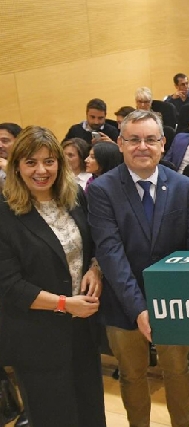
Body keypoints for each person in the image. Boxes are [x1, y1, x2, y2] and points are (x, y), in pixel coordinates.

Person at [87, 110, 189, 427]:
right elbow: (111, 254)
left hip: (175, 303)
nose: (142, 146)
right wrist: (139, 309)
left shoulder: (183, 186)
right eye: (134, 140)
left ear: (162, 143)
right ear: (120, 143)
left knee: (178, 370)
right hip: (123, 303)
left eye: (150, 139)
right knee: (131, 374)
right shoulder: (102, 190)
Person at [0, 126, 106, 427]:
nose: (41, 170)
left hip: (82, 332)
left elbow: (94, 245)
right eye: (31, 162)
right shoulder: (4, 214)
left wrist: (95, 269)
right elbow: (10, 286)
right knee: (53, 416)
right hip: (36, 338)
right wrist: (65, 304)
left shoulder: (73, 199)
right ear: (17, 166)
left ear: (59, 163)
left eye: (49, 161)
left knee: (90, 410)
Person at [0, 123, 22, 191]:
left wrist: (9, 170)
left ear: (19, 142)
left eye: (5, 141)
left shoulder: (30, 163)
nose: (0, 146)